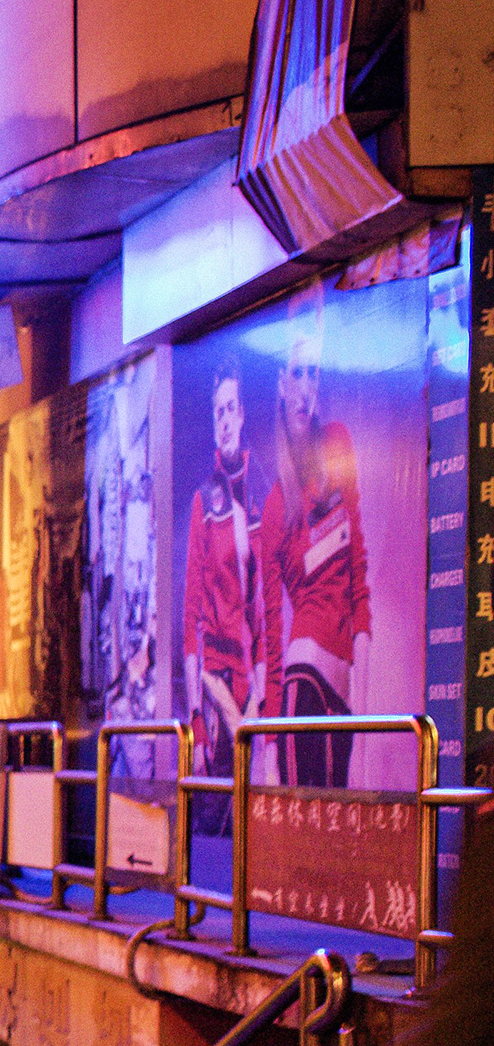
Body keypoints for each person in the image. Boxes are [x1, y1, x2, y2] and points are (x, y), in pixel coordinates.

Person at [259, 291, 370, 787]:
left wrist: (364, 699)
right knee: (314, 821)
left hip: (344, 682)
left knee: (342, 812)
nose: (305, 388)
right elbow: (271, 634)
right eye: (296, 374)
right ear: (282, 384)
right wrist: (268, 745)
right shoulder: (275, 507)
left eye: (313, 374)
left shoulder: (337, 445)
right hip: (303, 676)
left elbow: (358, 569)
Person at [180, 354, 279, 787]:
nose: (223, 421)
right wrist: (197, 717)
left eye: (230, 409)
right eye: (217, 412)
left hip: (253, 682)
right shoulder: (204, 501)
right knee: (216, 806)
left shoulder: (264, 492)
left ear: (242, 415)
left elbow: (270, 612)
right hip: (214, 678)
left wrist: (264, 702)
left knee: (257, 803)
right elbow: (190, 613)